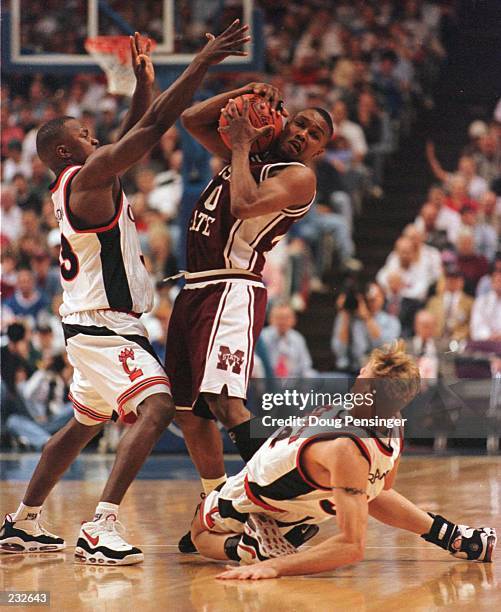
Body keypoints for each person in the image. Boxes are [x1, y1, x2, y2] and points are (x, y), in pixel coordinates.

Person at [0, 23, 251, 566]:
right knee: (159, 406)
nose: (100, 140)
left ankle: (23, 521)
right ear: (69, 149)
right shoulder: (87, 180)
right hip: (102, 326)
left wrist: (142, 83)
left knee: (80, 427)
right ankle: (101, 525)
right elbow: (155, 126)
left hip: (92, 324)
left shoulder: (82, 180)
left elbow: (138, 126)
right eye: (89, 136)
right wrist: (202, 62)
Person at [164, 83, 334, 551]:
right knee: (189, 412)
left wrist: (239, 144)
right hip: (196, 285)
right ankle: (218, 510)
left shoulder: (298, 176)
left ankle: (284, 510)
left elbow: (241, 204)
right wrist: (241, 93)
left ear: (320, 149)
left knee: (225, 403)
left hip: (232, 286)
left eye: (314, 133)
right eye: (300, 122)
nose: (303, 134)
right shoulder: (253, 154)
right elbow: (193, 119)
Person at [190, 342, 496, 578]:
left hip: (255, 496)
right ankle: (457, 537)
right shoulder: (394, 419)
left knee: (198, 536)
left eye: (363, 373)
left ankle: (247, 546)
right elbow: (382, 487)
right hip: (288, 488)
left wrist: (277, 568)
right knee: (366, 490)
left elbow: (352, 547)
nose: (358, 375)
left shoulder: (346, 449)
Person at [332, 282, 401, 372]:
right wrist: (345, 312)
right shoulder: (346, 317)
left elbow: (386, 347)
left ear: (383, 297)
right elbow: (339, 352)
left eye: (375, 297)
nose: (371, 301)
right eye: (368, 298)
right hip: (350, 370)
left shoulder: (391, 321)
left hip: (378, 372)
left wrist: (367, 318)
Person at [260, 303, 315, 378]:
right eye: (279, 317)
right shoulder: (262, 338)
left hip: (294, 382)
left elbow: (306, 367)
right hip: (268, 381)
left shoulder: (298, 339)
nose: (282, 321)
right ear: (270, 319)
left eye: (286, 318)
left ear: (294, 320)